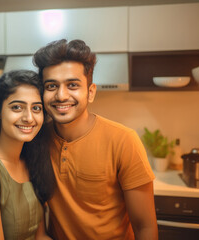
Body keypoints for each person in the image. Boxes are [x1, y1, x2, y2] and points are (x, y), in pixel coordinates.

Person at [33, 39, 158, 240]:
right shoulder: (37, 140)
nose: (61, 95)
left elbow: (145, 228)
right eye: (51, 86)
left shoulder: (123, 140)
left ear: (90, 93)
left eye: (72, 85)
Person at [0, 70, 55, 240]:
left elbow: (40, 236)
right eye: (17, 107)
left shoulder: (31, 160)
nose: (29, 118)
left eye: (36, 108)